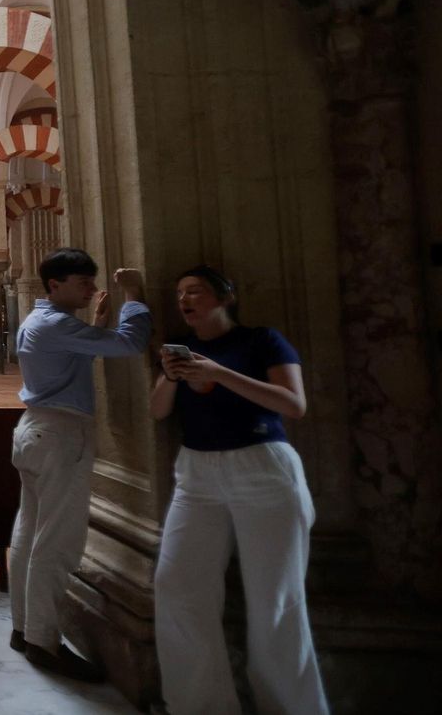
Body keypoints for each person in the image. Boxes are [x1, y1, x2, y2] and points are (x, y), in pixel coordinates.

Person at [149, 266, 328, 714]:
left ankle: (289, 708)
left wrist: (220, 373)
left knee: (277, 602)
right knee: (177, 586)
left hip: (262, 468)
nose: (186, 300)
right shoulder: (184, 351)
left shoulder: (261, 340)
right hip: (197, 475)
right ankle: (199, 705)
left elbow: (294, 404)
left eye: (196, 291)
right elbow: (157, 412)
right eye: (180, 294)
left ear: (226, 297)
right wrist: (170, 375)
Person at [10, 247, 149, 681]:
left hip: (35, 430)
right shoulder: (55, 324)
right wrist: (135, 296)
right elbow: (131, 343)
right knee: (58, 541)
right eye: (83, 282)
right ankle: (43, 641)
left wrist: (97, 323)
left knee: (29, 532)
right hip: (60, 435)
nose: (91, 288)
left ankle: (23, 627)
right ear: (55, 285)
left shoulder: (43, 322)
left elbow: (74, 358)